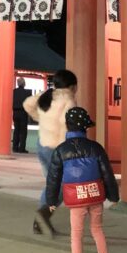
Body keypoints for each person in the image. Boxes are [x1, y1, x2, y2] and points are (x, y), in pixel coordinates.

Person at [46, 106, 119, 253]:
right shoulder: (96, 148)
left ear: (68, 127)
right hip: (95, 195)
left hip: (75, 198)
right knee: (97, 230)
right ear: (85, 127)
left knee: (76, 235)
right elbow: (107, 174)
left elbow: (53, 178)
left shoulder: (61, 151)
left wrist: (52, 200)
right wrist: (114, 196)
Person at [23, 68, 77, 236]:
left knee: (52, 184)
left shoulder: (47, 96)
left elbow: (27, 104)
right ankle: (43, 214)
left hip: (42, 145)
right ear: (72, 86)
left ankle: (39, 223)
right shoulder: (69, 102)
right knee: (61, 187)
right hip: (57, 149)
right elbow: (67, 125)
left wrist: (41, 119)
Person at [12, 76, 30, 153]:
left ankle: (15, 147)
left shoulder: (13, 92)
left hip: (15, 113)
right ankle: (21, 148)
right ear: (24, 84)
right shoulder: (27, 93)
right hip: (23, 113)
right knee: (23, 131)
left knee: (16, 130)